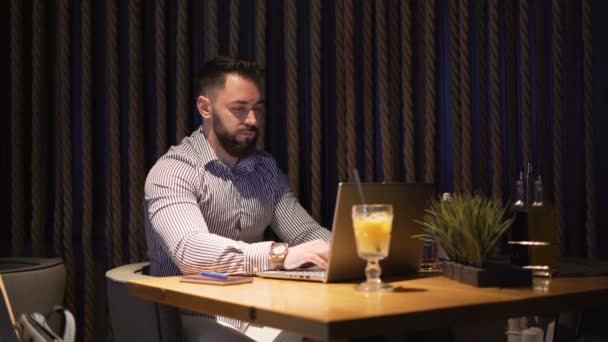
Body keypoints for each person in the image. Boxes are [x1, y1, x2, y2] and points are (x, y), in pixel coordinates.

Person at [144, 56, 332, 342]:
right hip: (190, 319)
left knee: (325, 332)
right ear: (205, 108)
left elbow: (304, 232)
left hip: (255, 313)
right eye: (239, 109)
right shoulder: (171, 171)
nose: (253, 120)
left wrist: (351, 254)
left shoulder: (265, 169)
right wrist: (280, 255)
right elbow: (191, 251)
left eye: (257, 108)